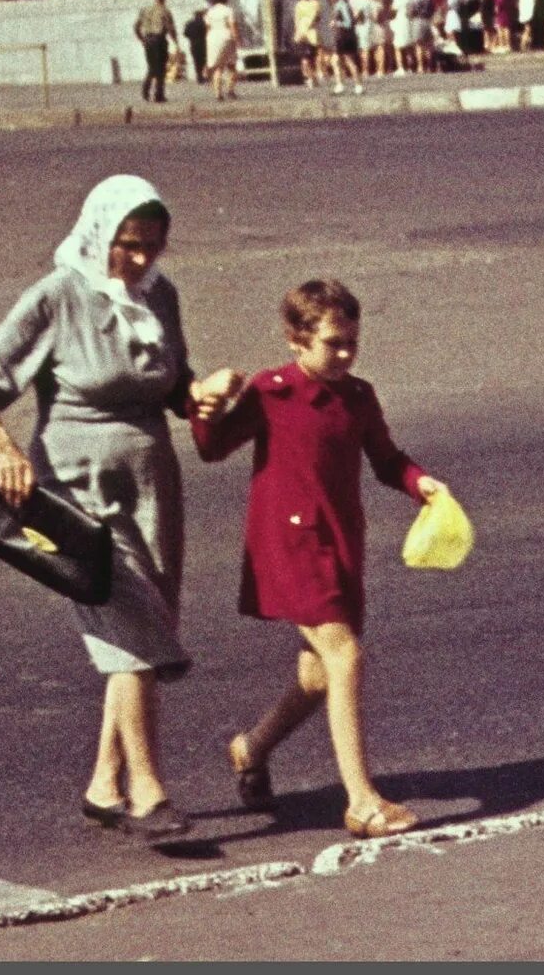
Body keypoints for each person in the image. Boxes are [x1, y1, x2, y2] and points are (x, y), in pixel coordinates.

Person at [0, 177, 226, 840]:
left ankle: (105, 782)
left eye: (152, 248)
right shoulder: (56, 295)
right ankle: (147, 792)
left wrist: (205, 393)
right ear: (99, 234)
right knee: (132, 629)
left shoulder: (161, 295)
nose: (139, 261)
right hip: (76, 487)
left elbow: (172, 383)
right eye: (128, 246)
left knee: (134, 628)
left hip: (152, 482)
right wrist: (3, 451)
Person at [191, 278, 450, 838]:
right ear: (296, 340)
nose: (345, 354)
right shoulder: (272, 391)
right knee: (346, 656)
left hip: (340, 541)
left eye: (352, 342)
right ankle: (361, 800)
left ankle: (251, 747)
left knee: (316, 675)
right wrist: (203, 406)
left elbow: (384, 458)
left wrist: (419, 482)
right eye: (334, 343)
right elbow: (211, 449)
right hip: (288, 544)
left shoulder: (358, 396)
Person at [134, 0, 175, 103]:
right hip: (159, 40)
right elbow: (170, 28)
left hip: (148, 40)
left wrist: (142, 39)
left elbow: (136, 26)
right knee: (160, 68)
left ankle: (146, 91)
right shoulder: (165, 11)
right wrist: (176, 42)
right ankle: (159, 95)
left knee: (152, 66)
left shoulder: (145, 10)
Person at [205, 0, 241, 102]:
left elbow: (208, 27)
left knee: (218, 67)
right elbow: (232, 25)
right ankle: (230, 90)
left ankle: (218, 94)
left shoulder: (210, 12)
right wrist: (237, 39)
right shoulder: (228, 10)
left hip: (212, 38)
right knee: (232, 66)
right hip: (226, 37)